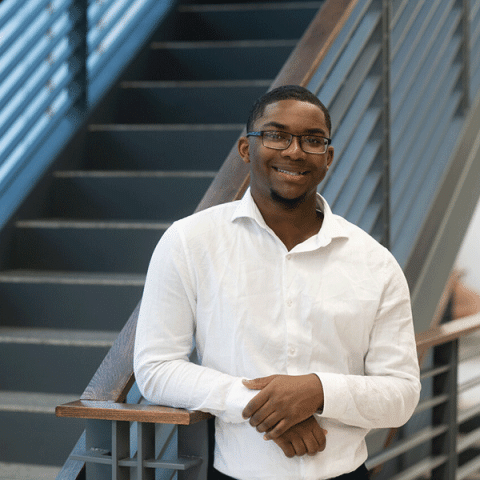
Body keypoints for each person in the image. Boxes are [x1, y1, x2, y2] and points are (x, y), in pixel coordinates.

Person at [134, 85, 421, 480]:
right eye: (276, 134)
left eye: (312, 140)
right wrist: (266, 406)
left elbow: (402, 394)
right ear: (245, 148)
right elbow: (156, 367)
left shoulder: (375, 263)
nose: (295, 151)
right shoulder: (189, 242)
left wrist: (317, 392)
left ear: (328, 157)